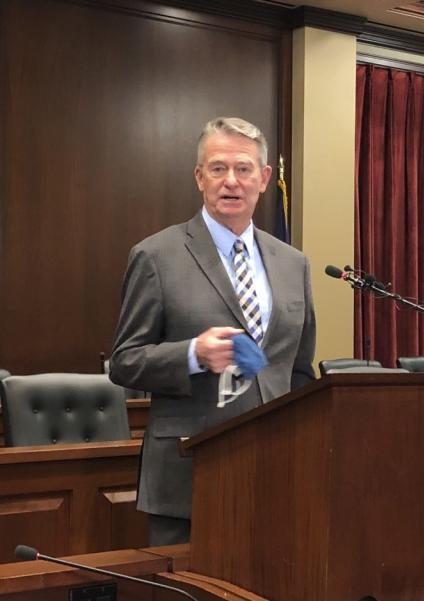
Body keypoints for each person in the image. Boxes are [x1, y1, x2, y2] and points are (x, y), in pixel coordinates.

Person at [109, 117, 316, 546]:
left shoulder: (293, 263)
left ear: (263, 179)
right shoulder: (156, 255)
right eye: (218, 168)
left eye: (243, 169)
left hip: (276, 475)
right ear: (199, 177)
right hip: (189, 473)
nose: (231, 181)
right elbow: (125, 361)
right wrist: (193, 355)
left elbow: (298, 372)